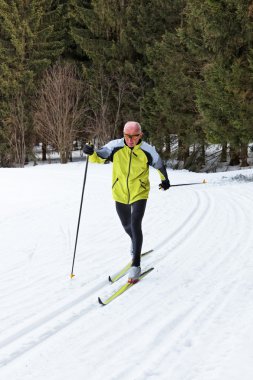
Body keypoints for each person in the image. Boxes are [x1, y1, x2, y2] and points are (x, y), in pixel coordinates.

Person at [83, 121, 170, 283]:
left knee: (135, 223)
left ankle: (135, 265)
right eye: (127, 136)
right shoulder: (114, 147)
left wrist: (165, 180)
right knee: (127, 226)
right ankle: (135, 242)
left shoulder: (147, 150)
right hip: (120, 192)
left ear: (140, 135)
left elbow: (159, 164)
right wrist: (90, 152)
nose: (130, 139)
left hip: (139, 192)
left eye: (134, 136)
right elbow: (98, 157)